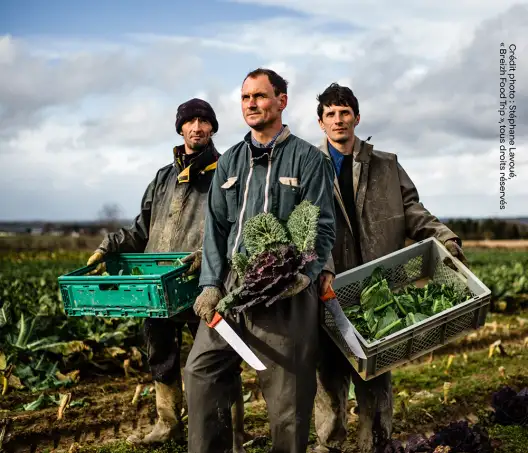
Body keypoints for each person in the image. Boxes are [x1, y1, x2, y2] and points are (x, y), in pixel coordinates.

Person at [183, 68, 337, 453]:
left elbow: (322, 226)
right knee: (200, 373)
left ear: (282, 101)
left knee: (288, 401)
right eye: (245, 97)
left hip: (285, 294)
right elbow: (215, 228)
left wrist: (305, 273)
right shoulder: (231, 161)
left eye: (260, 96)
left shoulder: (307, 160)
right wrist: (210, 283)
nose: (251, 103)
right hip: (234, 289)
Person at [312, 83, 468, 453]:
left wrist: (444, 238)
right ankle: (329, 441)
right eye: (331, 114)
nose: (338, 120)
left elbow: (413, 210)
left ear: (357, 117)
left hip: (377, 284)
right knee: (329, 369)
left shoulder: (385, 164)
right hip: (329, 285)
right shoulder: (309, 166)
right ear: (321, 123)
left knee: (376, 372)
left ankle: (375, 443)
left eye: (345, 112)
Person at [86, 99, 246, 450]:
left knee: (219, 358)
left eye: (205, 121)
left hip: (202, 282)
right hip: (156, 286)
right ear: (180, 128)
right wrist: (110, 244)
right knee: (161, 355)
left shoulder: (226, 174)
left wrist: (206, 257)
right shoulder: (163, 177)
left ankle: (233, 433)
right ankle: (168, 423)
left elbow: (236, 227)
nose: (197, 127)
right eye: (190, 121)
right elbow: (141, 228)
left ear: (213, 129)